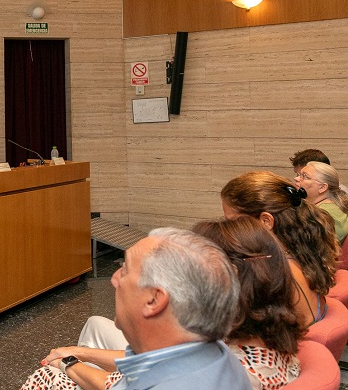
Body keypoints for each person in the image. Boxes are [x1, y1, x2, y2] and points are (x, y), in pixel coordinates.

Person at [24, 218, 301, 390]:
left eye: (125, 269)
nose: (113, 279)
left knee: (47, 377)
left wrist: (69, 364)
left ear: (156, 299)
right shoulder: (215, 350)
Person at [221, 171, 338, 327]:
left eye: (232, 222)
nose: (228, 230)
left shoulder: (272, 275)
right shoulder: (301, 254)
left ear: (266, 221)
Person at [296, 161, 348, 243]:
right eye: (299, 175)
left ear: (322, 187)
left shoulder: (322, 214)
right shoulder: (330, 207)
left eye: (305, 176)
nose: (297, 179)